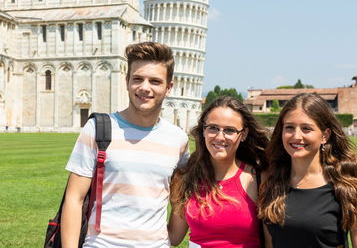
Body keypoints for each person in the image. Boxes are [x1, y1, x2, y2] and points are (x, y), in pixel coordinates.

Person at [61, 42, 190, 247]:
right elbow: (74, 198)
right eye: (137, 79)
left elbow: (180, 198)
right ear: (127, 81)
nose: (144, 87)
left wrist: (170, 238)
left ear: (169, 87)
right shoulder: (97, 128)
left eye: (155, 81)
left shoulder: (178, 139)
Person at [258, 93, 357, 248]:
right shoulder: (271, 184)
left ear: (325, 135)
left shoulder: (346, 188)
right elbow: (270, 243)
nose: (296, 136)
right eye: (289, 127)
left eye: (306, 128)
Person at [168, 96, 269, 247]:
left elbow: (271, 242)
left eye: (230, 130)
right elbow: (174, 237)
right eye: (213, 128)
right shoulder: (185, 179)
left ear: (244, 134)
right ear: (203, 130)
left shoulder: (258, 178)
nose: (220, 137)